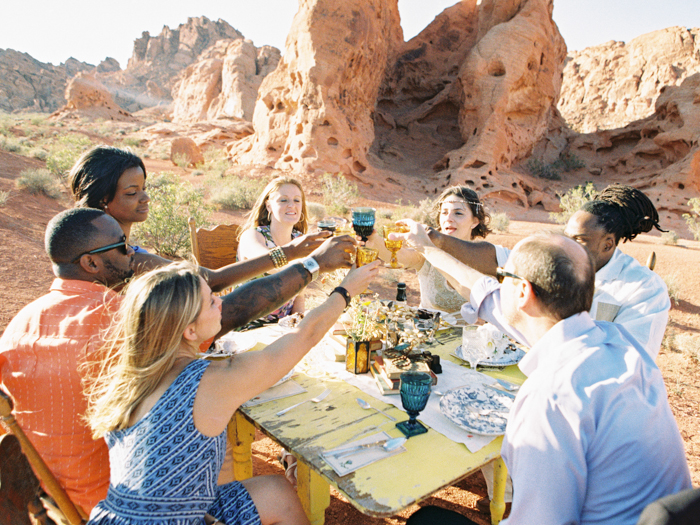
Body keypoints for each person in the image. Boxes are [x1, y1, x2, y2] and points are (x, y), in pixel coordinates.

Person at [0, 207, 356, 514]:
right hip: (121, 495)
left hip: (59, 498)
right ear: (91, 262)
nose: (133, 256)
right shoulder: (119, 320)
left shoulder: (20, 323)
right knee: (223, 449)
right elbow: (231, 314)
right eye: (124, 249)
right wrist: (319, 269)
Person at [405, 232, 691, 525]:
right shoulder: (621, 343)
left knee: (425, 521)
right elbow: (483, 292)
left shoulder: (550, 398)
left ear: (523, 293)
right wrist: (427, 248)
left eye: (503, 276)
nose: (497, 283)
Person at [82, 259, 378, 525]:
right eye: (211, 302)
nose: (221, 301)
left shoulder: (133, 377)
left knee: (275, 491)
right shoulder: (209, 381)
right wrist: (345, 291)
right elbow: (306, 334)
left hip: (124, 517)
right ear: (189, 331)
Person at [424, 184, 670, 360]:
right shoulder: (559, 261)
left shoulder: (644, 289)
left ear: (608, 244)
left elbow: (630, 360)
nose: (569, 245)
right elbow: (494, 257)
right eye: (567, 237)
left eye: (580, 240)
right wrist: (435, 239)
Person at [69, 145, 329, 292]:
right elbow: (210, 280)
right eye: (132, 192)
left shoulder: (130, 253)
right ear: (104, 198)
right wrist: (293, 254)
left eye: (144, 188)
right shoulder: (113, 260)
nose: (146, 198)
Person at [366, 186, 508, 313]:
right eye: (444, 213)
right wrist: (372, 238)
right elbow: (400, 255)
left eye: (458, 213)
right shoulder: (427, 250)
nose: (448, 218)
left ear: (475, 222)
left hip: (475, 339)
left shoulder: (487, 257)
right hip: (428, 337)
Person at [237, 177, 311, 320]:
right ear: (269, 206)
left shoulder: (300, 240)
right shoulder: (253, 236)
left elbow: (299, 296)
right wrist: (312, 264)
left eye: (297, 200)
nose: (291, 205)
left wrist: (299, 323)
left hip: (281, 329)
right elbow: (268, 263)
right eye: (283, 200)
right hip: (247, 327)